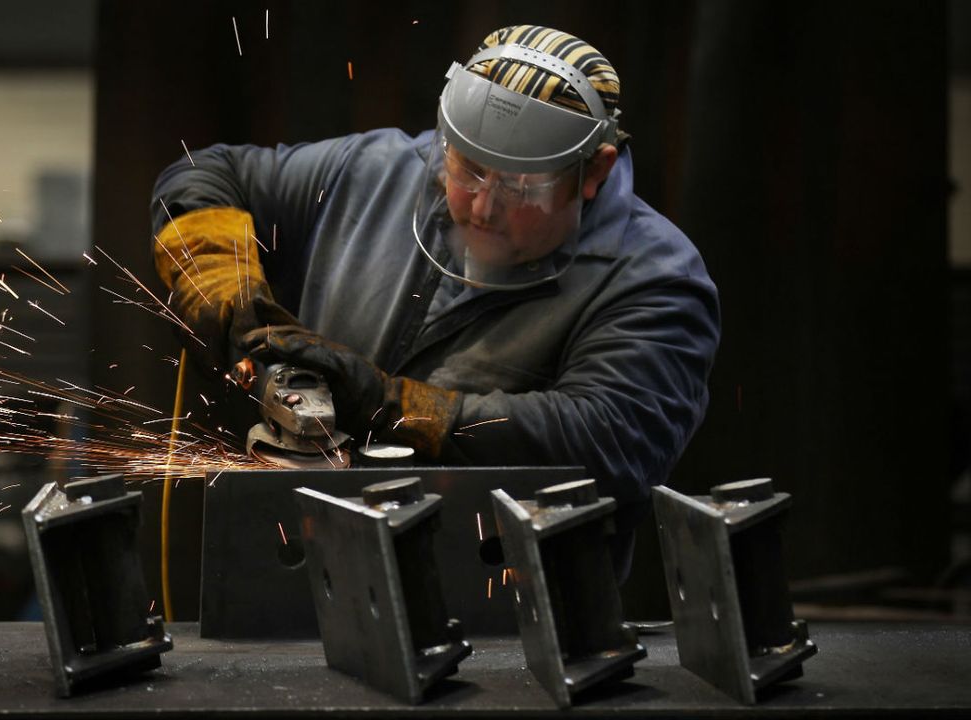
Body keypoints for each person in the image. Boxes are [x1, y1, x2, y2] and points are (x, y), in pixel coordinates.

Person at [150, 25, 720, 578]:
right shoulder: (371, 172)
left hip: (503, 625)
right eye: (468, 170)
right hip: (312, 572)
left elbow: (606, 439)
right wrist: (222, 282)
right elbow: (205, 174)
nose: (481, 207)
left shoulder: (656, 279)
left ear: (593, 170)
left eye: (520, 187)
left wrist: (393, 405)